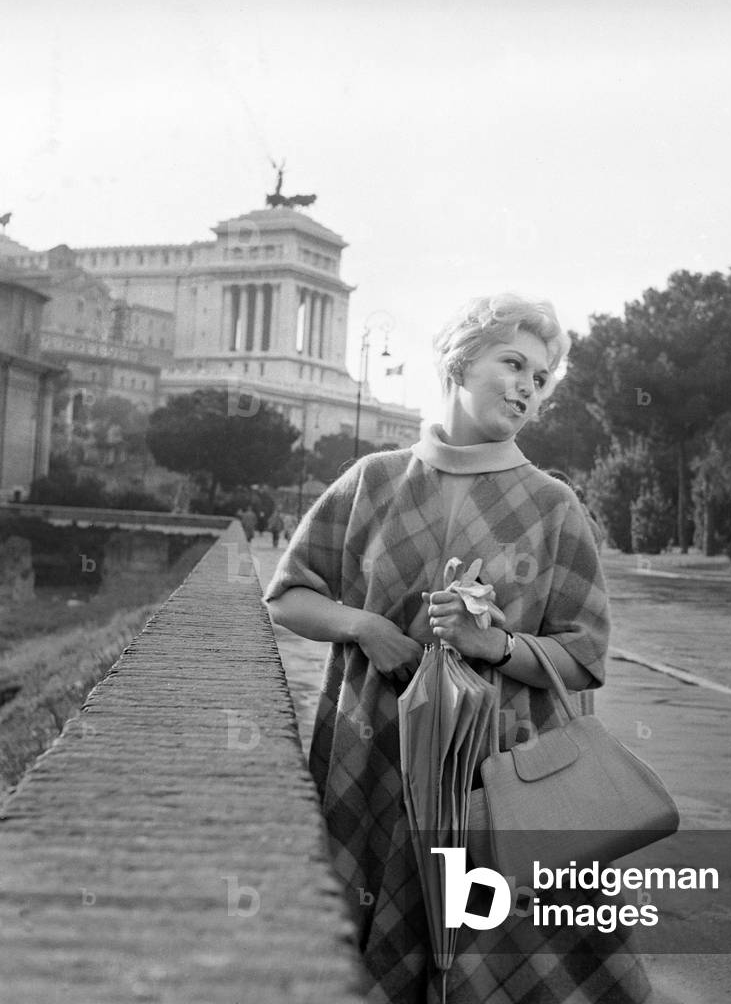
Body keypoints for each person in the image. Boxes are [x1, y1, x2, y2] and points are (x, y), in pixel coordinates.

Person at [265, 294, 650, 1004]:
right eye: (513, 363)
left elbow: (585, 653)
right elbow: (288, 596)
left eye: (540, 377)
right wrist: (364, 627)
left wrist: (496, 645)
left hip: (498, 774)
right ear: (459, 361)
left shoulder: (553, 504)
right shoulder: (371, 482)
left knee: (500, 960)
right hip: (372, 753)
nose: (528, 387)